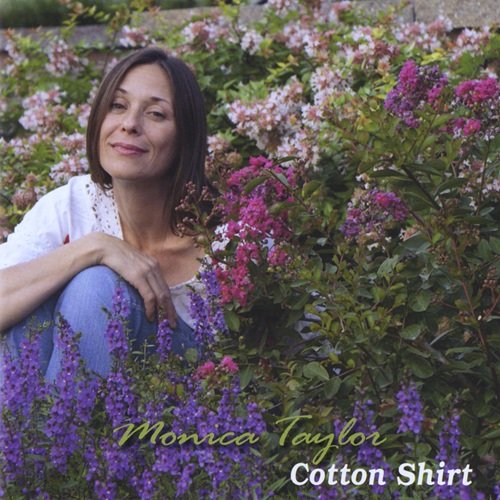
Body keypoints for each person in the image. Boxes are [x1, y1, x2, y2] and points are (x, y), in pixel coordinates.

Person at [0, 47, 213, 380]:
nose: (129, 124)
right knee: (34, 301)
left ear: (186, 136)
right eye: (118, 105)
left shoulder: (229, 239)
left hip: (188, 391)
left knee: (95, 286)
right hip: (75, 395)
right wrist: (94, 247)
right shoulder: (72, 205)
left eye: (156, 114)